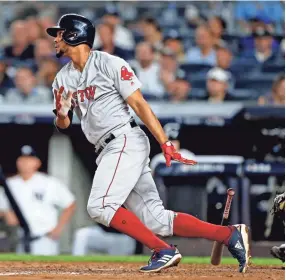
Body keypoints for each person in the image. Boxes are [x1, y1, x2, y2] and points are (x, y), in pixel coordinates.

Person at [46, 13, 250, 273]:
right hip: (107, 148)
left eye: (60, 34)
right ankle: (229, 235)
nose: (56, 39)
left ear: (74, 35)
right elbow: (63, 125)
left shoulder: (109, 63)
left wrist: (165, 143)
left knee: (99, 206)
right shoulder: (62, 78)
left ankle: (163, 250)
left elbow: (140, 104)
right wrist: (62, 115)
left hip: (124, 140)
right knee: (156, 220)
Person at [0, 145, 76, 255]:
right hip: (20, 239)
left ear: (37, 162)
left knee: (46, 271)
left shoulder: (49, 183)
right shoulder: (10, 184)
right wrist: (7, 213)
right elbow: (2, 209)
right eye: (22, 159)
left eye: (29, 159)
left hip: (44, 239)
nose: (25, 163)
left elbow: (70, 204)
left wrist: (58, 229)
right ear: (17, 162)